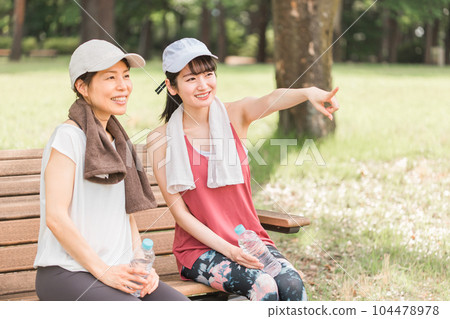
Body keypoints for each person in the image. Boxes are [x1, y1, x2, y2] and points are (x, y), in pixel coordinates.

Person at [147, 38, 340, 301]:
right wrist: (229, 250)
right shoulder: (162, 140)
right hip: (199, 251)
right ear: (171, 86)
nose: (203, 85)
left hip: (250, 241)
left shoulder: (234, 115)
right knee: (264, 286)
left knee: (292, 284)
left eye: (208, 74)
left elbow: (272, 98)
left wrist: (308, 93)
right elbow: (180, 214)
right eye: (191, 79)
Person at [33, 39, 189, 301]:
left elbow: (125, 215)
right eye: (110, 77)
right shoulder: (68, 137)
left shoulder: (117, 140)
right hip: (67, 273)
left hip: (118, 268)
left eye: (126, 76)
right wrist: (104, 272)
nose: (123, 86)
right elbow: (56, 218)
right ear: (82, 87)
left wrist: (142, 265)